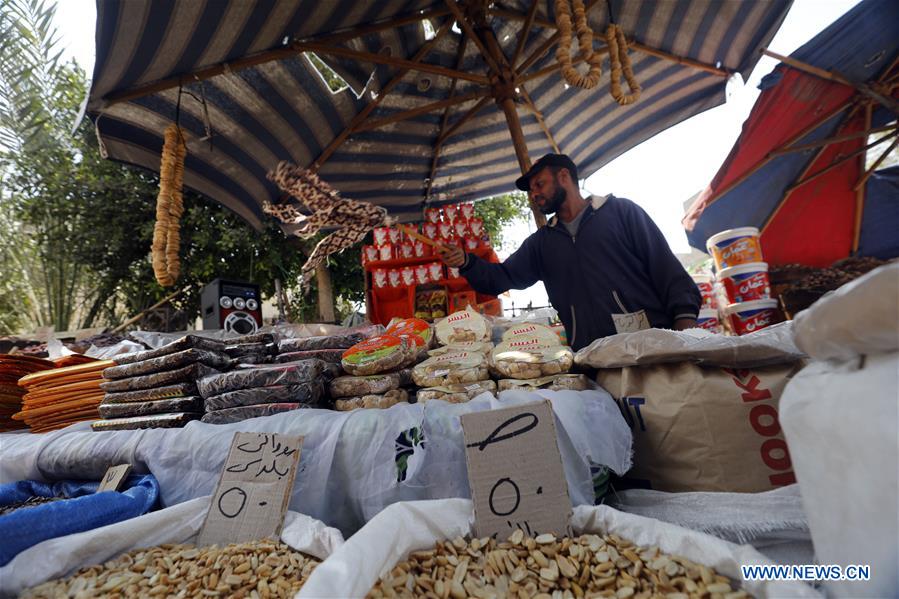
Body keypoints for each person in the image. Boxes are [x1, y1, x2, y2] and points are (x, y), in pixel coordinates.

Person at [438, 153, 701, 351]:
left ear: (564, 176)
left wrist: (685, 336)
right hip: (592, 357)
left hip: (652, 347)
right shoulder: (542, 243)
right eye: (531, 190)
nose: (534, 195)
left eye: (539, 184)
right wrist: (466, 261)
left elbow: (667, 271)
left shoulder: (621, 212)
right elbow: (501, 277)